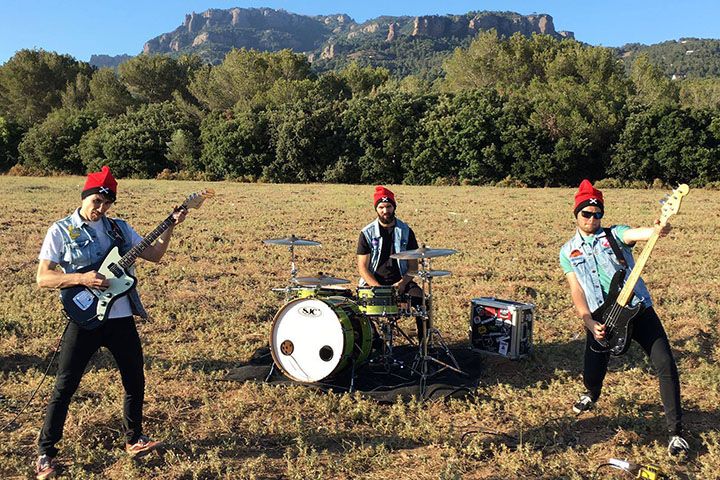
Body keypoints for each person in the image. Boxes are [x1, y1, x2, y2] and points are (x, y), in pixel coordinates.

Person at [34, 166, 186, 479]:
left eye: (107, 203)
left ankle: (134, 438)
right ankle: (46, 453)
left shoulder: (119, 229)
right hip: (84, 318)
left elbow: (155, 254)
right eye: (96, 202)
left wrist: (171, 226)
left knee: (134, 379)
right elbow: (43, 277)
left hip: (121, 317)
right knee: (65, 385)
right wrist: (81, 278)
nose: (101, 209)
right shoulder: (61, 230)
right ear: (84, 196)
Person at [559, 179, 689, 457]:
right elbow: (576, 290)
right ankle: (591, 394)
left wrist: (658, 229)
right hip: (601, 317)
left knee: (665, 362)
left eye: (598, 214)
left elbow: (637, 234)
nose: (592, 219)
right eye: (587, 213)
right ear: (576, 213)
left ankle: (676, 432)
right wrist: (588, 321)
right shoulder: (567, 251)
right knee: (592, 372)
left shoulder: (614, 235)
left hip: (638, 309)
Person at [357, 186, 425, 339]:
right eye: (381, 207)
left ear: (394, 207)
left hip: (401, 281)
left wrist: (402, 284)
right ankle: (374, 340)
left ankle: (424, 345)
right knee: (359, 306)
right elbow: (362, 268)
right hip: (374, 282)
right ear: (376, 209)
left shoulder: (406, 231)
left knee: (422, 301)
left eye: (388, 206)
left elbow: (413, 267)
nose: (385, 211)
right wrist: (378, 289)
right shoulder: (366, 233)